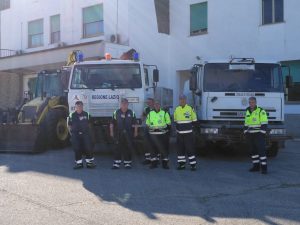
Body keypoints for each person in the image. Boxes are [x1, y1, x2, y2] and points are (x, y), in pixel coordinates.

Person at [110, 98, 138, 169]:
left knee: (128, 147)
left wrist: (135, 132)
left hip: (129, 133)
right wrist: (111, 131)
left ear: (128, 104)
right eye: (123, 103)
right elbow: (112, 123)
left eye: (125, 103)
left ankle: (127, 163)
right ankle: (116, 163)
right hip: (118, 132)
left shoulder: (131, 112)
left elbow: (135, 123)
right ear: (120, 104)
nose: (124, 105)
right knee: (117, 147)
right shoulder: (116, 112)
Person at [244, 97, 268, 174]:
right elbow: (246, 123)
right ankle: (256, 167)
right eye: (250, 102)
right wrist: (245, 132)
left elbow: (264, 123)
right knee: (253, 151)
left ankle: (264, 168)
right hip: (250, 134)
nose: (251, 104)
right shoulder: (247, 111)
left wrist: (261, 133)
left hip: (258, 134)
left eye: (253, 102)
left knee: (261, 151)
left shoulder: (261, 111)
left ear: (256, 102)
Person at [68, 101, 96, 169]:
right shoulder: (72, 115)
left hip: (85, 134)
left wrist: (90, 134)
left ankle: (89, 163)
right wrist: (71, 133)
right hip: (75, 135)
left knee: (88, 148)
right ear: (75, 107)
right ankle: (79, 164)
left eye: (80, 106)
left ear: (82, 107)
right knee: (77, 149)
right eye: (77, 107)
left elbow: (90, 125)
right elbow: (69, 125)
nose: (79, 108)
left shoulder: (87, 114)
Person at [174, 94, 197, 171]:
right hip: (179, 134)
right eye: (180, 99)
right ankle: (182, 165)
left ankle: (193, 165)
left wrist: (190, 129)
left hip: (188, 134)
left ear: (186, 100)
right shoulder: (176, 109)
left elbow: (194, 121)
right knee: (180, 150)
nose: (182, 100)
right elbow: (175, 121)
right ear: (179, 100)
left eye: (183, 99)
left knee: (190, 149)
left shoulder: (190, 108)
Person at [146, 99, 171, 169]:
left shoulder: (165, 113)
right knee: (153, 150)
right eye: (155, 104)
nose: (157, 106)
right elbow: (147, 124)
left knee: (164, 150)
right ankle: (154, 164)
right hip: (153, 135)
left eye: (158, 104)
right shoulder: (150, 113)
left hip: (163, 135)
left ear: (160, 106)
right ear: (154, 106)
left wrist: (167, 133)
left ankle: (165, 164)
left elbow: (169, 124)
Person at [142, 97, 155, 164]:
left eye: (149, 102)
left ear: (153, 102)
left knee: (154, 143)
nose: (148, 103)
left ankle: (155, 159)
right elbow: (142, 117)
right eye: (147, 102)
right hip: (147, 128)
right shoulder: (146, 109)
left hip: (154, 128)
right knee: (146, 143)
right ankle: (147, 159)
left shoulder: (156, 109)